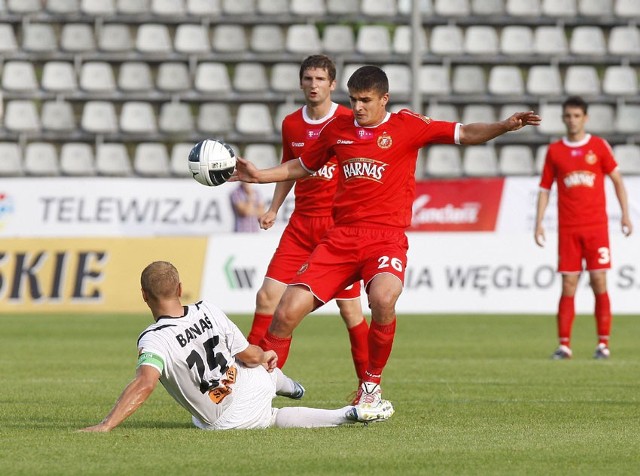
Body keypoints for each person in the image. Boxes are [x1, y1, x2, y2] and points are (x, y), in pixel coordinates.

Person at [230, 65, 541, 408]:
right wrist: (258, 176)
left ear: (384, 99)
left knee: (383, 298)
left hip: (385, 237)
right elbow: (302, 166)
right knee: (286, 310)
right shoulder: (338, 129)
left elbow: (464, 133)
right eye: (354, 100)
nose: (358, 107)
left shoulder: (407, 125)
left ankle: (371, 385)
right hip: (340, 239)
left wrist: (503, 126)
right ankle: (256, 392)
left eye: (365, 100)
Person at [79, 261, 394, 432]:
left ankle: (343, 414)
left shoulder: (154, 338)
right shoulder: (208, 310)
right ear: (179, 288)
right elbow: (249, 355)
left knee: (266, 418)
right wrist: (266, 357)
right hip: (248, 382)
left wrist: (107, 425)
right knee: (259, 363)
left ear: (144, 296)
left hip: (226, 419)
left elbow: (146, 382)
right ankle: (290, 385)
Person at [247, 55, 369, 383]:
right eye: (308, 79)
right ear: (301, 82)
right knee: (267, 297)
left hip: (337, 229)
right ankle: (247, 382)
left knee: (350, 311)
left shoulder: (348, 119)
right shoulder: (291, 123)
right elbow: (290, 166)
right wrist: (274, 208)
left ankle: (369, 386)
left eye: (320, 79)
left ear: (332, 85)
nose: (313, 85)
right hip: (301, 225)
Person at [534, 96, 632, 360]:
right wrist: (539, 222)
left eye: (577, 115)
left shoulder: (599, 146)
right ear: (563, 118)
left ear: (585, 118)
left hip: (596, 227)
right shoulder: (555, 151)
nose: (572, 120)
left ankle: (603, 344)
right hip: (569, 229)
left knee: (599, 280)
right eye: (568, 116)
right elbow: (545, 189)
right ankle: (564, 345)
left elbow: (617, 181)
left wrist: (625, 215)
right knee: (568, 284)